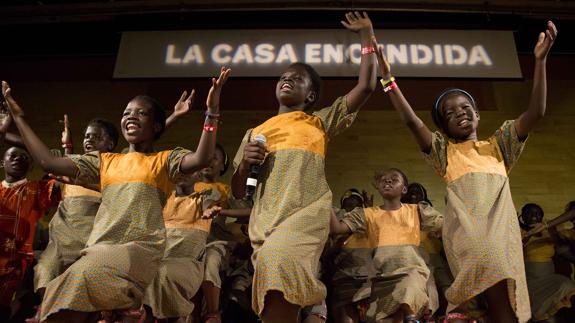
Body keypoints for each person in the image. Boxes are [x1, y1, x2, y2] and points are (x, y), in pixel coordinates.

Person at [1, 66, 230, 322]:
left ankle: (130, 304)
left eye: (141, 113)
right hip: (100, 248)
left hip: (138, 248)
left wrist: (211, 113)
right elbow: (46, 162)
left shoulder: (164, 161)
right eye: (126, 113)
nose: (131, 117)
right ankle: (130, 308)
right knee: (62, 298)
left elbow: (202, 158)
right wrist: (19, 117)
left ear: (156, 126)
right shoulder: (105, 161)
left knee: (81, 279)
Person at [372, 20, 557, 322]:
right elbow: (410, 121)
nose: (459, 112)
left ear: (478, 114)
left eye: (465, 107)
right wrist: (387, 81)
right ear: (443, 127)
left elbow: (536, 112)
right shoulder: (444, 153)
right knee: (499, 302)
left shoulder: (500, 145)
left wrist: (540, 61)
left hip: (501, 235)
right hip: (469, 236)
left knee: (502, 302)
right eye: (449, 112)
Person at [231, 11, 377, 323]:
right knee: (276, 289)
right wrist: (245, 164)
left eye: (297, 78)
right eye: (284, 76)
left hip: (305, 214)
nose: (287, 79)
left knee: (279, 263)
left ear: (310, 95)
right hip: (266, 220)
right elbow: (240, 191)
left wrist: (366, 36)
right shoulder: (255, 132)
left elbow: (366, 87)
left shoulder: (319, 121)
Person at [330, 168, 443, 322]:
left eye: (394, 179)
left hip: (412, 272)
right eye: (384, 179)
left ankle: (411, 317)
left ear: (404, 189)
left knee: (408, 288)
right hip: (382, 277)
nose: (388, 180)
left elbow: (444, 226)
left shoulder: (417, 211)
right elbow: (336, 229)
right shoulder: (367, 214)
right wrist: (325, 198)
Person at [0, 107, 60, 322]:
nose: (18, 159)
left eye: (24, 157)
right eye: (12, 155)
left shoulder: (37, 189)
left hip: (16, 267)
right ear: (2, 163)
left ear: (31, 164)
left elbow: (54, 170)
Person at [142, 170, 221, 322]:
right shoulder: (163, 197)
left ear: (198, 176)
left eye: (188, 171)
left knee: (165, 275)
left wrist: (208, 210)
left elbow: (208, 203)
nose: (181, 175)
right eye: (177, 171)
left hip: (187, 259)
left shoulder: (207, 193)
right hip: (161, 255)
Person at [519, 203, 575, 321]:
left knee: (566, 285)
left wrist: (550, 230)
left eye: (538, 213)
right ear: (522, 217)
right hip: (530, 280)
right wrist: (524, 240)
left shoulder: (551, 232)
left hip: (548, 278)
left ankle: (533, 316)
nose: (534, 215)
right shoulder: (518, 233)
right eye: (530, 213)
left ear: (542, 217)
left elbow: (563, 251)